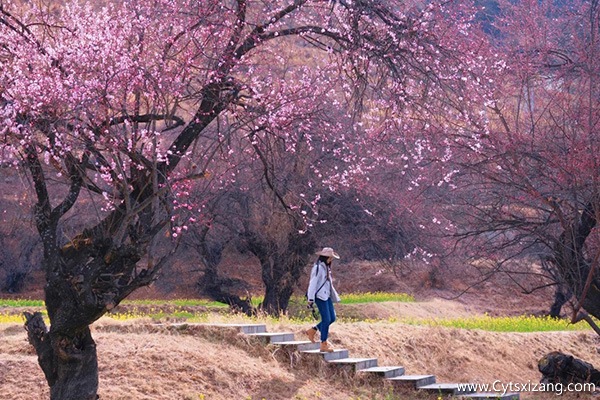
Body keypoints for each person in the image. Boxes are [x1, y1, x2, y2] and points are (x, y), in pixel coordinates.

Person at [305, 247, 341, 352]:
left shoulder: (326, 267)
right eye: (331, 257)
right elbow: (313, 283)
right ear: (327, 257)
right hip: (320, 296)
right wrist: (310, 298)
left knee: (332, 318)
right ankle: (323, 343)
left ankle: (313, 330)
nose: (331, 259)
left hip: (327, 295)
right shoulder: (318, 268)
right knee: (326, 319)